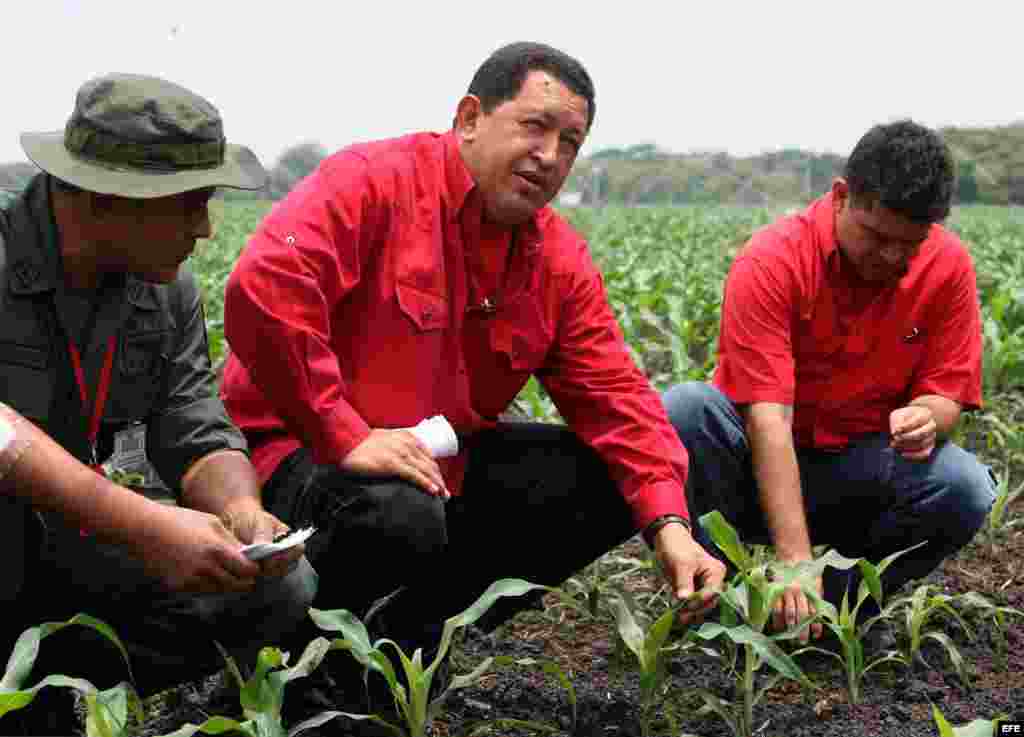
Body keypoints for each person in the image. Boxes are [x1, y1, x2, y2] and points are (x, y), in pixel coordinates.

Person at [220, 41, 726, 723]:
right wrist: (345, 432)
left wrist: (669, 524)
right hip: (296, 458)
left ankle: (410, 631)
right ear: (468, 119)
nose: (550, 153)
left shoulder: (557, 260)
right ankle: (298, 658)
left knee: (611, 479)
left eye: (570, 140)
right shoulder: (375, 181)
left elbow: (617, 399)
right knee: (394, 509)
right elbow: (266, 287)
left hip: (429, 468)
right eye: (534, 125)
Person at [0, 73, 317, 734]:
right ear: (109, 197)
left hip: (60, 550)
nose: (205, 229)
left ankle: (49, 682)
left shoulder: (162, 290)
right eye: (189, 203)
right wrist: (142, 523)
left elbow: (193, 420)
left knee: (279, 587)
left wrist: (241, 510)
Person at [662, 120, 996, 644]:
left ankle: (834, 610)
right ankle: (722, 604)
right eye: (878, 237)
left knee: (966, 487)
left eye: (908, 244)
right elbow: (767, 418)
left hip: (858, 471)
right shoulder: (773, 259)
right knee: (687, 410)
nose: (890, 257)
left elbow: (947, 391)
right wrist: (794, 561)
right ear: (841, 196)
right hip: (757, 469)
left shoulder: (947, 265)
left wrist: (927, 417)